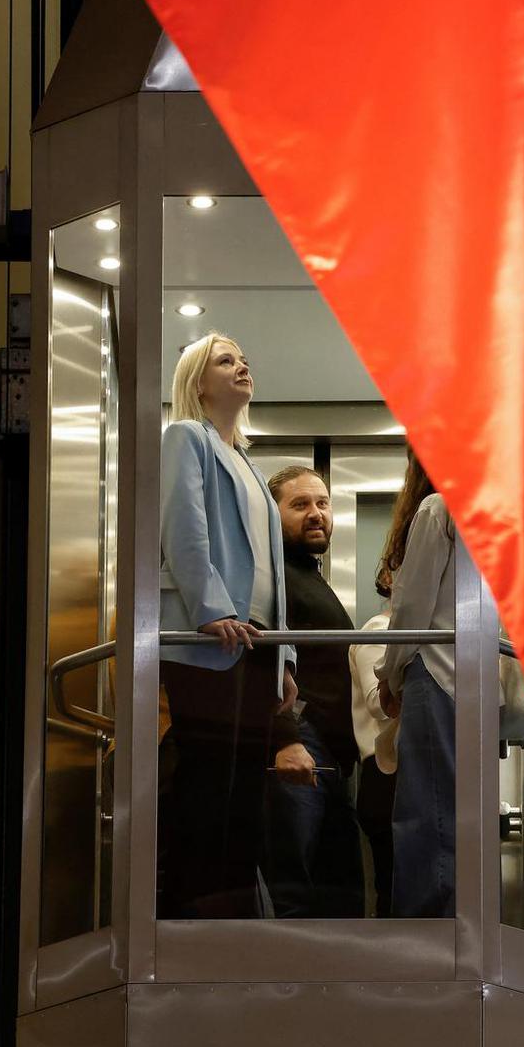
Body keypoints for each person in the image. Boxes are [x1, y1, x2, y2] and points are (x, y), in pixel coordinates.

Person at [157, 332, 298, 919]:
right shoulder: (186, 437)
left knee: (243, 793)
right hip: (208, 638)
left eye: (244, 358)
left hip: (256, 644)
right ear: (197, 382)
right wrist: (211, 607)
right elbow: (182, 526)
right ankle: (194, 917)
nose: (242, 365)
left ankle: (232, 921)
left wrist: (285, 659)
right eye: (225, 360)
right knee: (210, 786)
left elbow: (272, 572)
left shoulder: (244, 459)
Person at [261, 466, 365, 917]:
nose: (316, 514)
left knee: (335, 892)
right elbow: (259, 657)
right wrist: (285, 737)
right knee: (294, 890)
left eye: (322, 503)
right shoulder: (269, 575)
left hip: (330, 752)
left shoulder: (309, 577)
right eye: (299, 505)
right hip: (299, 738)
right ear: (271, 513)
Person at [378, 452, 459, 918]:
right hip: (479, 680)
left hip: (436, 670)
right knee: (462, 813)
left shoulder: (436, 509)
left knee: (424, 813)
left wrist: (390, 675)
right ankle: (463, 930)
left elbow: (411, 613)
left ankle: (424, 936)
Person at [349, 582, 398, 916]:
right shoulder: (379, 630)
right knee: (394, 887)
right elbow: (378, 703)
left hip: (398, 772)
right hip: (387, 775)